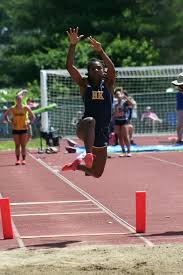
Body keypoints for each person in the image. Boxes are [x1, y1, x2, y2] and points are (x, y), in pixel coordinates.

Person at [61, 27, 116, 178]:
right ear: (89, 72)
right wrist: (72, 45)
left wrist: (101, 51)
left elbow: (112, 69)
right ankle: (88, 154)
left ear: (103, 70)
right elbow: (69, 67)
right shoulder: (84, 85)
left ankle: (76, 166)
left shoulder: (109, 84)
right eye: (93, 69)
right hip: (85, 128)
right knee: (91, 120)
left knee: (96, 173)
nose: (97, 70)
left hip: (101, 133)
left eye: (99, 68)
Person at [4, 94, 35, 165]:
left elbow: (33, 116)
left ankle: (23, 160)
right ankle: (17, 160)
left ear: (21, 100)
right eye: (17, 100)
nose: (19, 101)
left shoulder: (25, 108)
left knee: (23, 145)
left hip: (24, 129)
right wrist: (10, 122)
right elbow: (5, 115)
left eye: (20, 100)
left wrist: (29, 122)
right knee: (17, 145)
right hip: (15, 129)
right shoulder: (12, 108)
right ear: (15, 101)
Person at [112, 88, 135, 157]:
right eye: (117, 94)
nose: (118, 95)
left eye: (119, 94)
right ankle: (123, 151)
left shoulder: (125, 102)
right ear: (115, 96)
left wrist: (125, 97)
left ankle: (128, 151)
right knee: (119, 137)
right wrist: (115, 113)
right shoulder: (114, 103)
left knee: (126, 136)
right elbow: (112, 113)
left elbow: (132, 104)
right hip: (117, 120)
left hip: (124, 120)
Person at [171, 72, 183, 144]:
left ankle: (180, 139)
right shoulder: (179, 92)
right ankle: (179, 139)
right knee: (180, 124)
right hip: (180, 109)